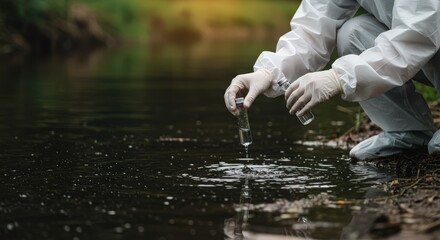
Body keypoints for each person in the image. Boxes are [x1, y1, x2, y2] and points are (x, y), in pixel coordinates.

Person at [224, 0, 440, 160]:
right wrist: (268, 73)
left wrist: (339, 77)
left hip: (424, 39)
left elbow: (416, 37)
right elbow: (313, 27)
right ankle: (410, 133)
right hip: (423, 47)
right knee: (353, 33)